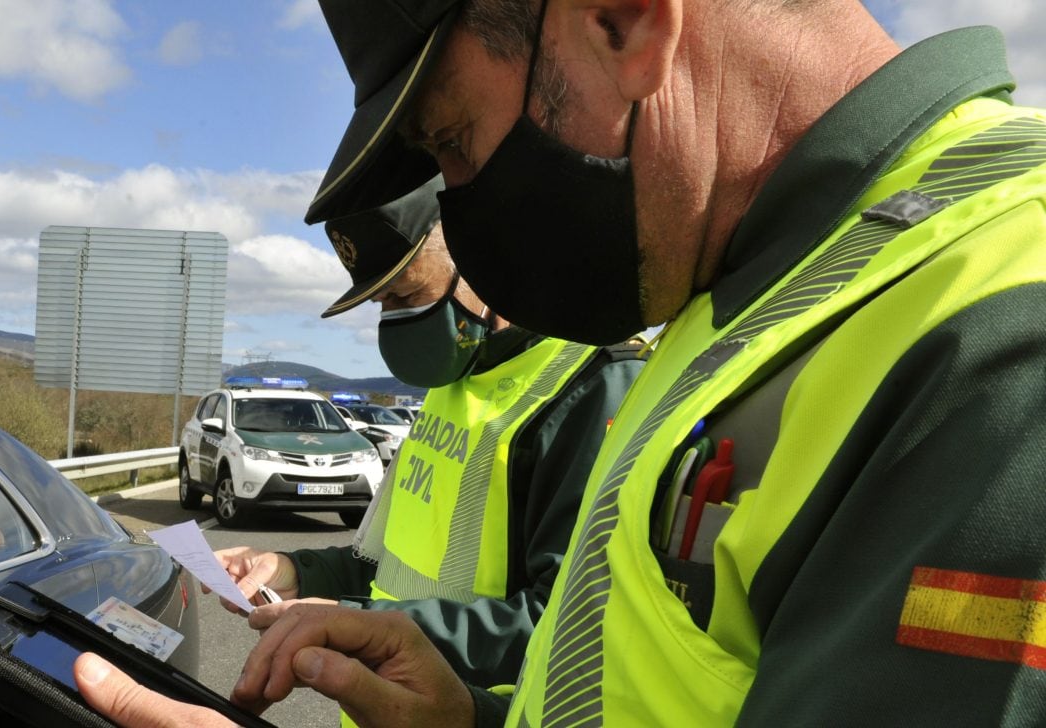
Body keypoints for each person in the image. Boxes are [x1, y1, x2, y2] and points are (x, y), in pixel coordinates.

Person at [78, 0, 1046, 726]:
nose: (462, 206)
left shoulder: (1007, 321)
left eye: (453, 141)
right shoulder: (752, 295)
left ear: (621, 21)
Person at [214, 178, 643, 693]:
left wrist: (366, 630)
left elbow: (568, 627)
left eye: (406, 293)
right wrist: (295, 572)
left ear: (485, 256)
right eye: (380, 303)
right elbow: (384, 565)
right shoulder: (453, 381)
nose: (395, 319)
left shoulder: (589, 387)